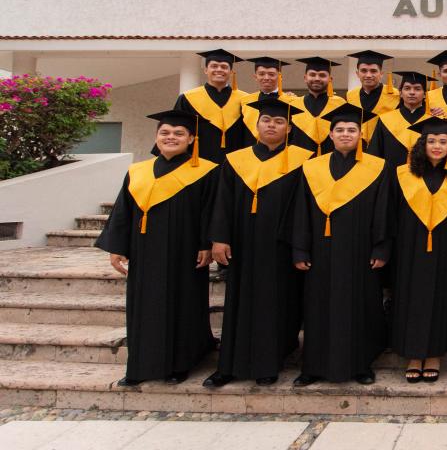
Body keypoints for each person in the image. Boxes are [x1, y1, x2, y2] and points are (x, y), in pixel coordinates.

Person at [97, 109, 218, 387]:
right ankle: (140, 364)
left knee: (184, 304)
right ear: (156, 137)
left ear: (191, 139)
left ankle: (181, 362)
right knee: (144, 306)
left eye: (179, 133)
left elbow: (211, 210)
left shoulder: (206, 171)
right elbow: (123, 212)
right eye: (165, 133)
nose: (171, 137)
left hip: (185, 251)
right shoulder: (138, 171)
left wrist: (206, 244)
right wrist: (117, 247)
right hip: (145, 251)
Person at [203, 98, 314, 388]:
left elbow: (305, 208)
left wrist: (300, 245)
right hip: (242, 244)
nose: (272, 126)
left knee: (277, 303)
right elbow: (222, 203)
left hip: (280, 245)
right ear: (256, 125)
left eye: (279, 122)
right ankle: (229, 364)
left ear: (289, 128)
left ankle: (270, 361)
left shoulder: (303, 160)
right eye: (266, 120)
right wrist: (219, 239)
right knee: (238, 301)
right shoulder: (236, 160)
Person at [288, 103, 389, 386]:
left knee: (359, 307)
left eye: (352, 129)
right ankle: (312, 367)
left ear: (361, 134)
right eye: (340, 130)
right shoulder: (312, 167)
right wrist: (300, 248)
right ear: (330, 135)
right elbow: (301, 211)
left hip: (360, 250)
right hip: (320, 251)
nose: (346, 134)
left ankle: (360, 365)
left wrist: (381, 247)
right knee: (317, 307)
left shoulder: (377, 167)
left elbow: (383, 212)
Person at [386, 117, 447, 383]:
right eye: (431, 141)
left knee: (442, 299)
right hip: (409, 249)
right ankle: (413, 355)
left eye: (443, 141)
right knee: (411, 299)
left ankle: (434, 355)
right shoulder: (402, 174)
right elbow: (390, 214)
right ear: (422, 144)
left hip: (445, 250)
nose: (437, 146)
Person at [173, 49, 251, 164]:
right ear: (205, 70)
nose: (219, 69)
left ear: (231, 72)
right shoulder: (187, 98)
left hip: (236, 165)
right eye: (214, 66)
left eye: (224, 67)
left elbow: (250, 136)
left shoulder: (245, 99)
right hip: (197, 164)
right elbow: (177, 130)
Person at [368, 71, 433, 170]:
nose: (412, 92)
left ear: (425, 94)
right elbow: (375, 154)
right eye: (407, 88)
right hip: (390, 177)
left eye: (417, 89)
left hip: (425, 176)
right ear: (400, 93)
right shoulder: (385, 120)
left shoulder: (433, 120)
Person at [288, 57, 346, 156]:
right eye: (312, 75)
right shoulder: (293, 105)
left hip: (331, 161)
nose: (317, 78)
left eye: (322, 75)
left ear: (330, 79)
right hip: (299, 161)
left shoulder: (340, 105)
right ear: (305, 78)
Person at [346, 50, 401, 144]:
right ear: (357, 73)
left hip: (385, 144)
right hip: (358, 145)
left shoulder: (395, 95)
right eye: (364, 71)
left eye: (373, 71)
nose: (368, 75)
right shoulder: (350, 95)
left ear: (381, 74)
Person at [240, 56, 294, 140]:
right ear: (255, 77)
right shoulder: (245, 101)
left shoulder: (291, 101)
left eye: (271, 74)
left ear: (280, 77)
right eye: (261, 74)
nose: (266, 78)